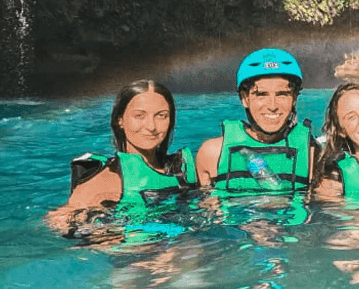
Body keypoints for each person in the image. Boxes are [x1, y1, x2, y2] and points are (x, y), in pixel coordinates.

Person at [46, 79, 198, 235]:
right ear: (120, 120)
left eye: (161, 116)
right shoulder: (107, 179)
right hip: (139, 256)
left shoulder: (182, 170)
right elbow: (57, 221)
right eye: (139, 116)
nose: (151, 126)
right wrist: (109, 239)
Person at [193, 48, 317, 194]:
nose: (272, 106)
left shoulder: (312, 155)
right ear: (245, 99)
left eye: (282, 94)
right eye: (261, 95)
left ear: (294, 98)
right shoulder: (212, 154)